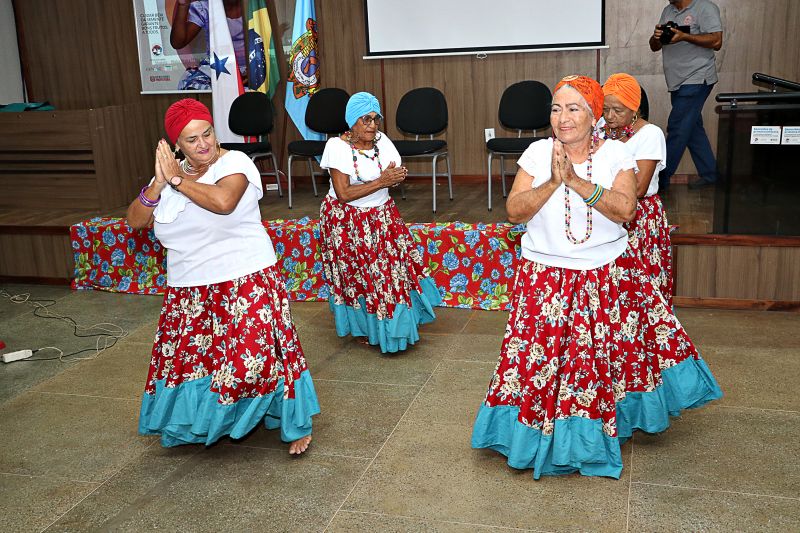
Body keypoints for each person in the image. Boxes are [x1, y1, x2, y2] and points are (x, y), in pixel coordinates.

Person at [471, 75, 722, 479]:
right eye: (556, 108)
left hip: (603, 277)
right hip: (545, 279)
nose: (562, 117)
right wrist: (554, 181)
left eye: (573, 109)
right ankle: (537, 435)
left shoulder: (615, 155)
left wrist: (576, 181)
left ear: (593, 115)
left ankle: (596, 431)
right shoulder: (537, 152)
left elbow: (625, 210)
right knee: (542, 364)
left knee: (599, 363)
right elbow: (515, 212)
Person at [127, 99, 318, 454]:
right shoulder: (169, 176)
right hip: (189, 289)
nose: (202, 144)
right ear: (175, 145)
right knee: (202, 362)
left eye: (207, 133)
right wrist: (156, 185)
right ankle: (205, 423)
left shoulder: (235, 162)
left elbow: (223, 202)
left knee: (254, 358)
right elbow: (136, 220)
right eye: (190, 140)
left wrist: (177, 180)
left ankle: (293, 419)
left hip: (246, 278)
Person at [318, 92, 441, 353]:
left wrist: (395, 177)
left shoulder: (381, 140)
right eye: (366, 119)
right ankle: (367, 329)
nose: (372, 125)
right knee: (359, 278)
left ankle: (395, 329)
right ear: (352, 122)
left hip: (381, 216)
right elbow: (344, 194)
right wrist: (383, 181)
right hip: (346, 222)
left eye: (376, 119)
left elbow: (393, 170)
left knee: (389, 275)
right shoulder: (337, 147)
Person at [602, 73, 673, 306]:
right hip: (605, 208)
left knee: (640, 283)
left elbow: (640, 187)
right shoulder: (600, 129)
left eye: (618, 110)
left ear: (635, 109)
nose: (610, 116)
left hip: (638, 216)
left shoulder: (650, 134)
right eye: (605, 109)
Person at [650, 0, 723, 190]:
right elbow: (654, 46)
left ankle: (660, 180)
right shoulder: (668, 11)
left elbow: (716, 41)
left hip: (697, 78)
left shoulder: (705, 8)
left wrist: (684, 36)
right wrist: (657, 37)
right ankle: (710, 174)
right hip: (677, 81)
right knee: (691, 129)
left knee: (677, 128)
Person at [170, 0, 247, 90]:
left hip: (254, 67)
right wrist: (183, 5)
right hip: (217, 68)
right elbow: (178, 43)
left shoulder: (258, 5)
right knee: (191, 86)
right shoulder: (205, 7)